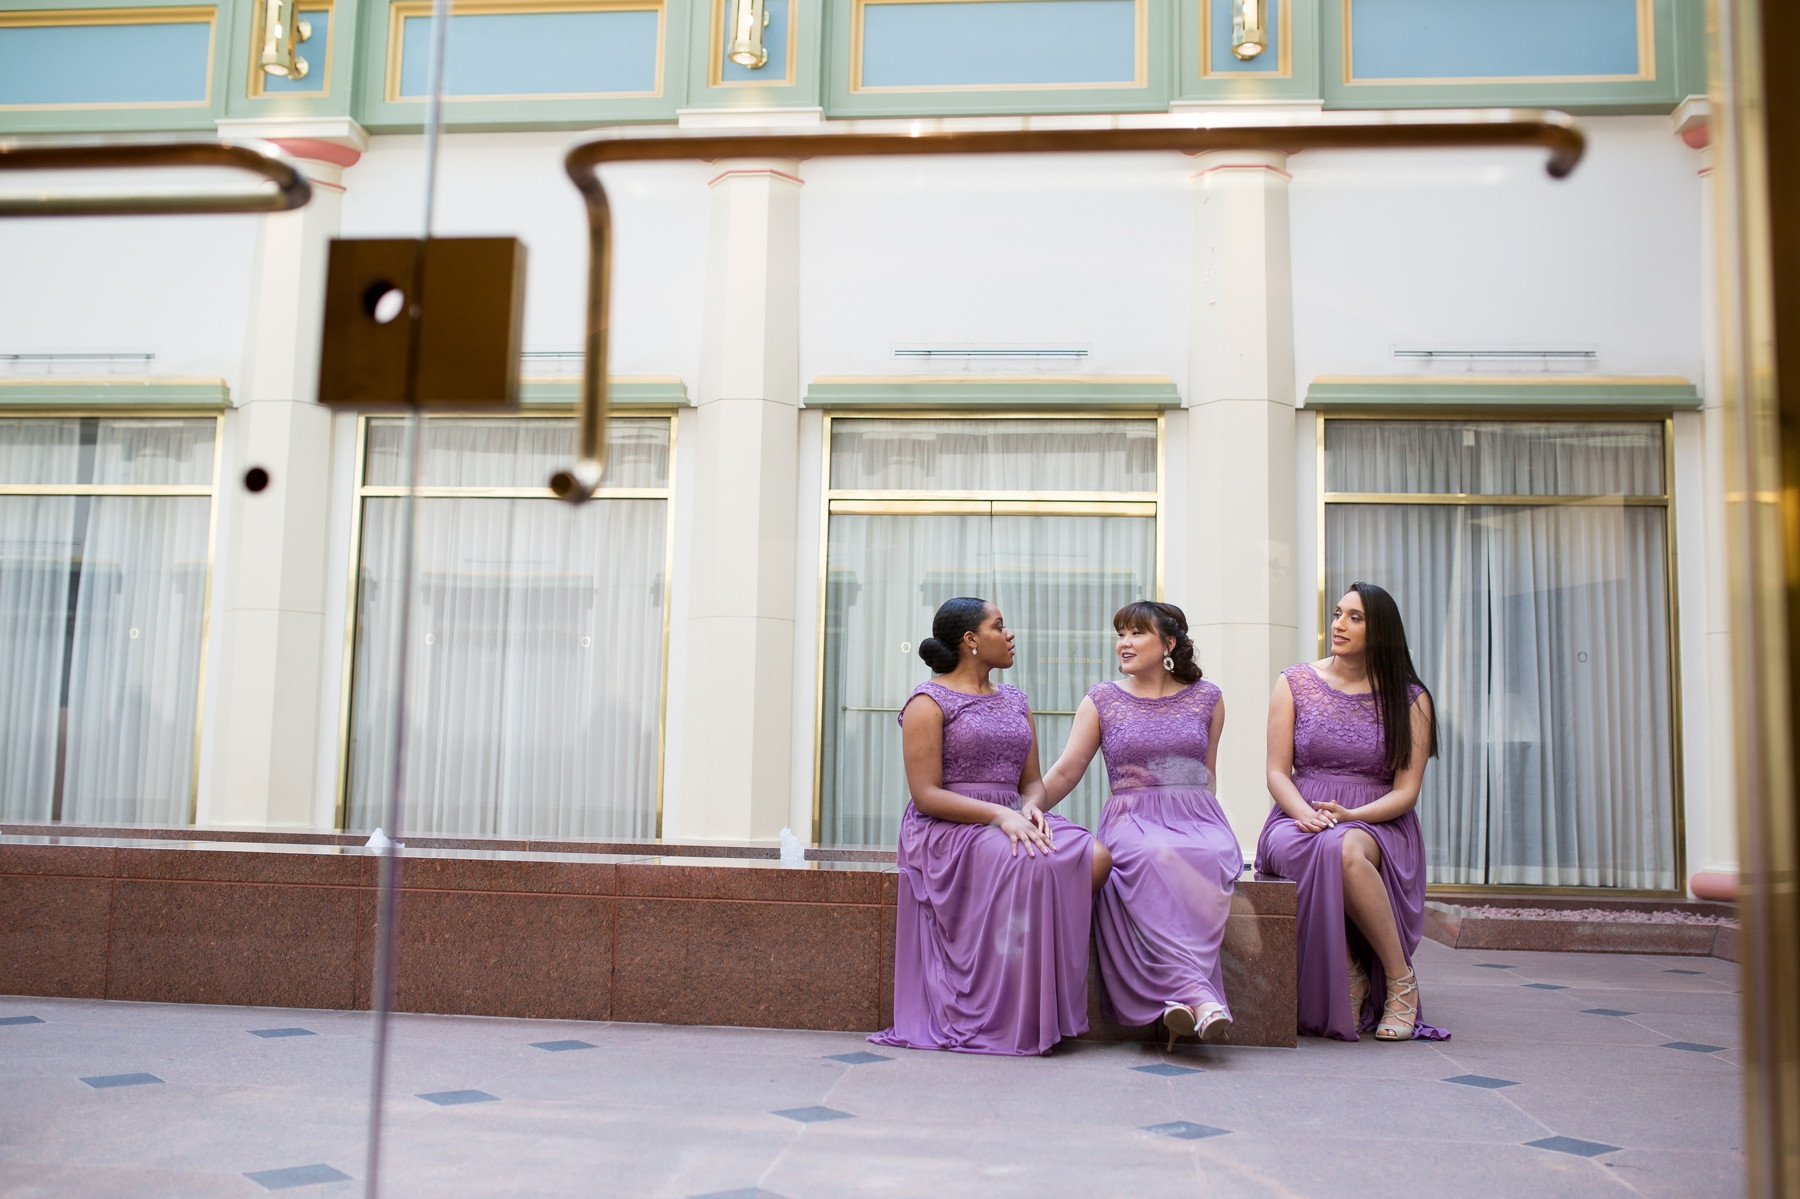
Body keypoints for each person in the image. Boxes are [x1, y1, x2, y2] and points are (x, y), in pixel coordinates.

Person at [870, 597, 1112, 1056]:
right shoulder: (928, 700)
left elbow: (1033, 783)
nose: (1010, 634)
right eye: (999, 626)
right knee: (1035, 861)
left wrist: (1032, 809)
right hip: (949, 828)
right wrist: (1000, 816)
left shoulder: (1017, 700)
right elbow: (926, 793)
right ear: (971, 641)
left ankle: (1032, 989)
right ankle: (1002, 1003)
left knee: (1096, 858)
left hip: (1013, 819)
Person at [1041, 601, 1239, 1050]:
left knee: (1206, 855)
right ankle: (1199, 998)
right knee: (1153, 856)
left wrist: (1209, 824)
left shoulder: (1209, 697)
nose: (1124, 643)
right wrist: (1025, 808)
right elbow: (1068, 770)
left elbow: (1208, 772)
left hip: (1197, 815)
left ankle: (1184, 1003)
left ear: (1168, 644)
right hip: (1132, 817)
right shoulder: (1102, 699)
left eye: (1136, 634)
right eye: (1121, 634)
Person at [1255, 582, 1446, 1041]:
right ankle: (1351, 971)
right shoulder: (1295, 682)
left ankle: (1401, 982)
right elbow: (1277, 773)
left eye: (1354, 618)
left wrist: (1349, 816)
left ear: (1380, 631)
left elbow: (1406, 792)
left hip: (1377, 821)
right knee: (1307, 845)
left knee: (1341, 849)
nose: (1338, 625)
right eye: (1338, 613)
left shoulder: (1411, 698)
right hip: (1298, 815)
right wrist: (1304, 813)